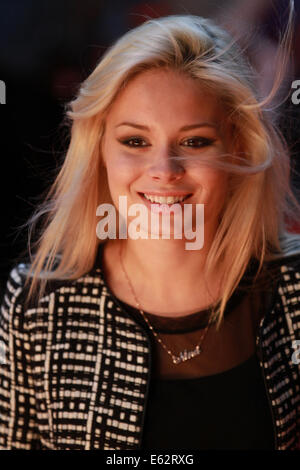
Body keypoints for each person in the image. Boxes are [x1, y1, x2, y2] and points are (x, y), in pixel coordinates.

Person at [1, 12, 300, 451]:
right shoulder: (36, 301)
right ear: (99, 148)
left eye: (195, 141)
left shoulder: (294, 288)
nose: (164, 171)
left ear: (238, 149)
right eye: (135, 141)